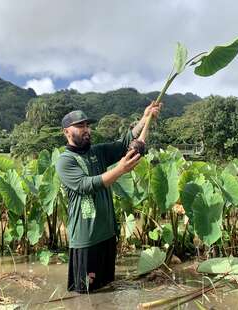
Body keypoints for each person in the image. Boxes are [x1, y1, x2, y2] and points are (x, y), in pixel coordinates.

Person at [55, 101, 162, 293]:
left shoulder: (97, 152)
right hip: (86, 236)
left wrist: (145, 120)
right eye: (80, 126)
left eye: (87, 125)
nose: (86, 129)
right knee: (85, 293)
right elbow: (85, 185)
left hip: (106, 232)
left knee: (106, 288)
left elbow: (124, 144)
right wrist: (120, 170)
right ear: (66, 132)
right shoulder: (65, 161)